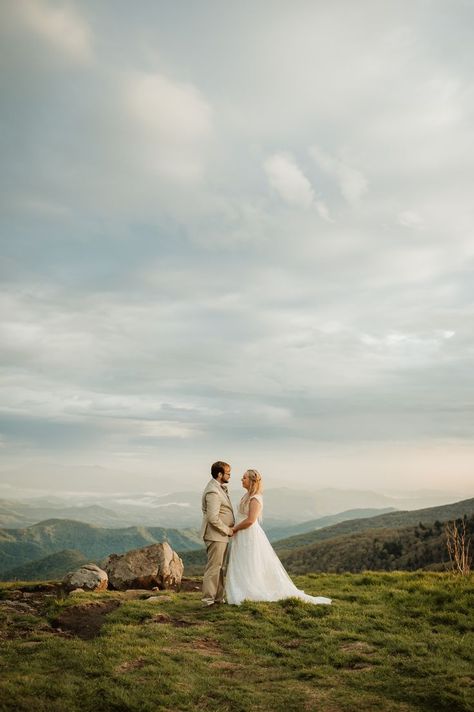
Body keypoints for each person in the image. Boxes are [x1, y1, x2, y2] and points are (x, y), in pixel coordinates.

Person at [226, 469, 331, 606]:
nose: (241, 479)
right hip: (241, 534)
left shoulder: (255, 498)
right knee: (242, 561)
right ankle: (241, 589)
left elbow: (251, 520)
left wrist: (234, 529)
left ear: (252, 481)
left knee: (249, 561)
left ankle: (249, 590)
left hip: (248, 535)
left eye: (244, 478)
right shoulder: (246, 496)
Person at [200, 461, 235, 606]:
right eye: (228, 473)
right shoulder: (213, 491)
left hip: (221, 536)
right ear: (220, 474)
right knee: (214, 568)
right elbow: (212, 518)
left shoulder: (218, 488)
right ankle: (208, 600)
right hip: (216, 535)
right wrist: (228, 530)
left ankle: (218, 598)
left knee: (220, 568)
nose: (230, 476)